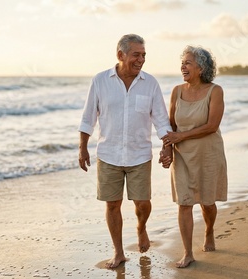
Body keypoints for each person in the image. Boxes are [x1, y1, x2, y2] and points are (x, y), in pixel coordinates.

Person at [78, 34, 173, 269]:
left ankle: (141, 227)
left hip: (139, 154)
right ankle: (118, 252)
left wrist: (166, 146)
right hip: (108, 154)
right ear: (120, 55)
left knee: (142, 202)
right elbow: (88, 116)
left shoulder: (150, 83)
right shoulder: (100, 81)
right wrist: (82, 148)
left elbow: (161, 119)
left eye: (143, 55)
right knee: (112, 205)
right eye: (136, 55)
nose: (141, 60)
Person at [161, 45, 228, 268]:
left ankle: (209, 231)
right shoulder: (176, 91)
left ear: (201, 68)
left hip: (208, 154)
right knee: (184, 202)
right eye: (182, 63)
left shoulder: (215, 91)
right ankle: (188, 252)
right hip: (182, 155)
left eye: (188, 63)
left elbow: (212, 125)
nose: (183, 66)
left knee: (207, 203)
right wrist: (168, 148)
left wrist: (181, 136)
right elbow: (170, 125)